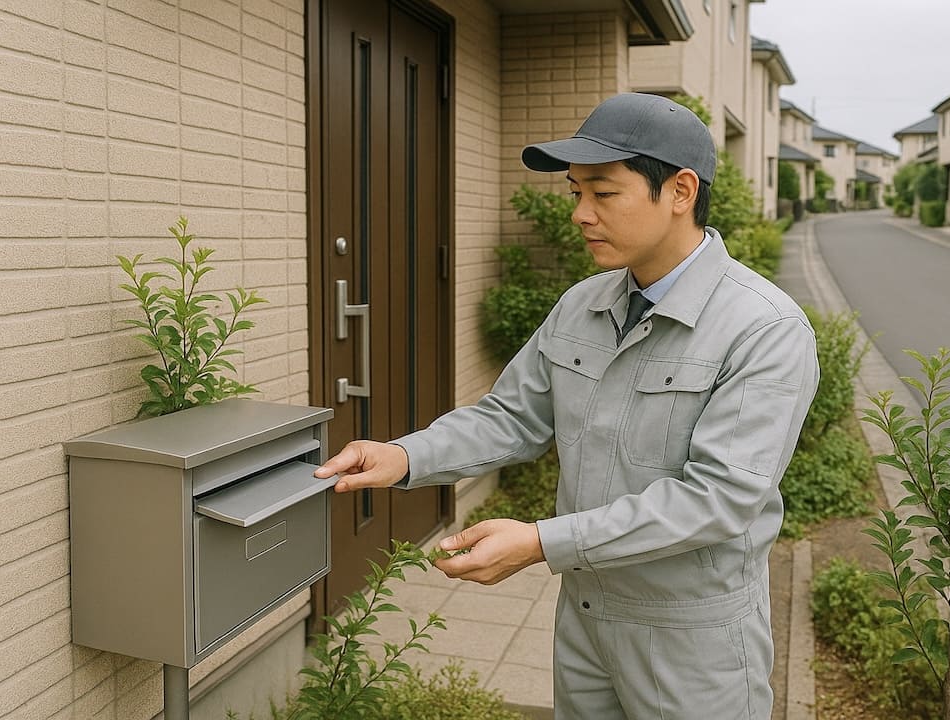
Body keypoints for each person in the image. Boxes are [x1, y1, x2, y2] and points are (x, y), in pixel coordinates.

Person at [315, 92, 819, 719]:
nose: (581, 214)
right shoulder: (583, 305)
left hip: (693, 639)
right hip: (586, 617)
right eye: (575, 193)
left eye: (603, 193)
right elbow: (512, 417)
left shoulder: (763, 327)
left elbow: (718, 498)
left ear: (681, 192)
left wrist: (539, 542)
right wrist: (403, 455)